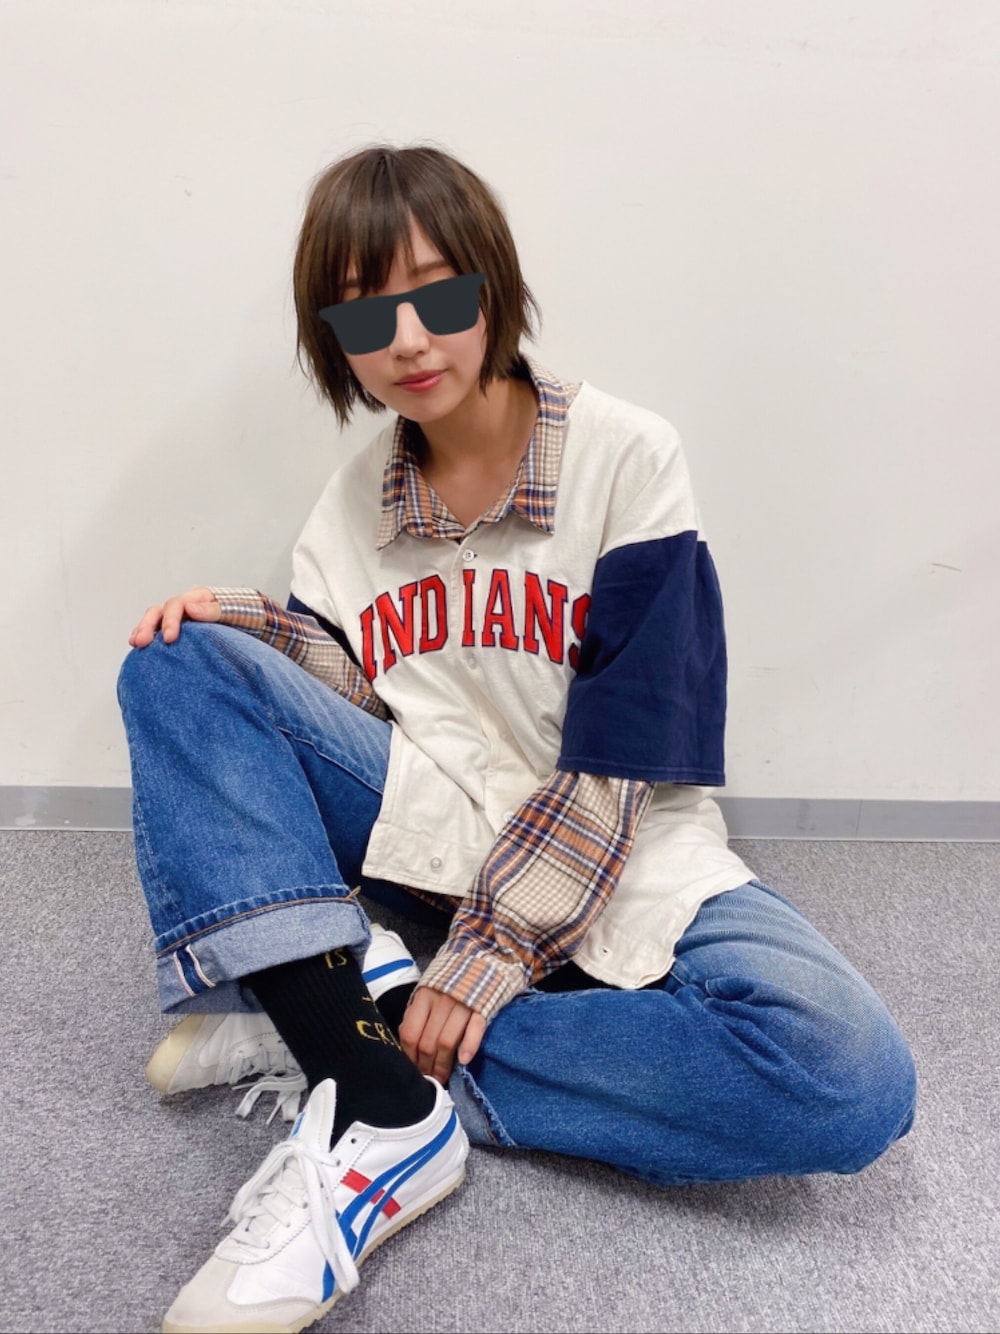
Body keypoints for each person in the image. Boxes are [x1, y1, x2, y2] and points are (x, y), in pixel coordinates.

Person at [118, 142, 917, 1334]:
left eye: (439, 297)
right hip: (431, 815)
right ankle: (381, 1104)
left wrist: (486, 953)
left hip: (624, 839)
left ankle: (338, 1032)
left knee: (848, 1074)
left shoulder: (625, 456)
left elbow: (627, 750)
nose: (409, 340)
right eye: (366, 314)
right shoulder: (349, 508)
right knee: (175, 660)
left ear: (491, 287)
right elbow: (358, 698)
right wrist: (245, 627)